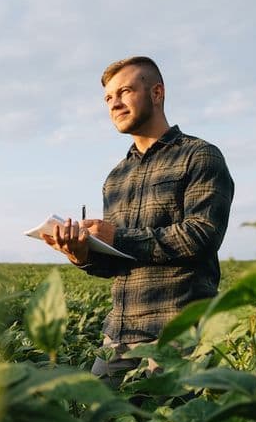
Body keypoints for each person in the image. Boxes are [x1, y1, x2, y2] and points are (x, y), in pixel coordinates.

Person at [43, 55, 234, 381]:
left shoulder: (199, 155)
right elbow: (118, 263)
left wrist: (115, 235)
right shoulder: (115, 177)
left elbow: (201, 235)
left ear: (157, 93)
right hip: (118, 336)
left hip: (178, 334)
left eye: (125, 92)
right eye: (108, 98)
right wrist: (83, 254)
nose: (114, 104)